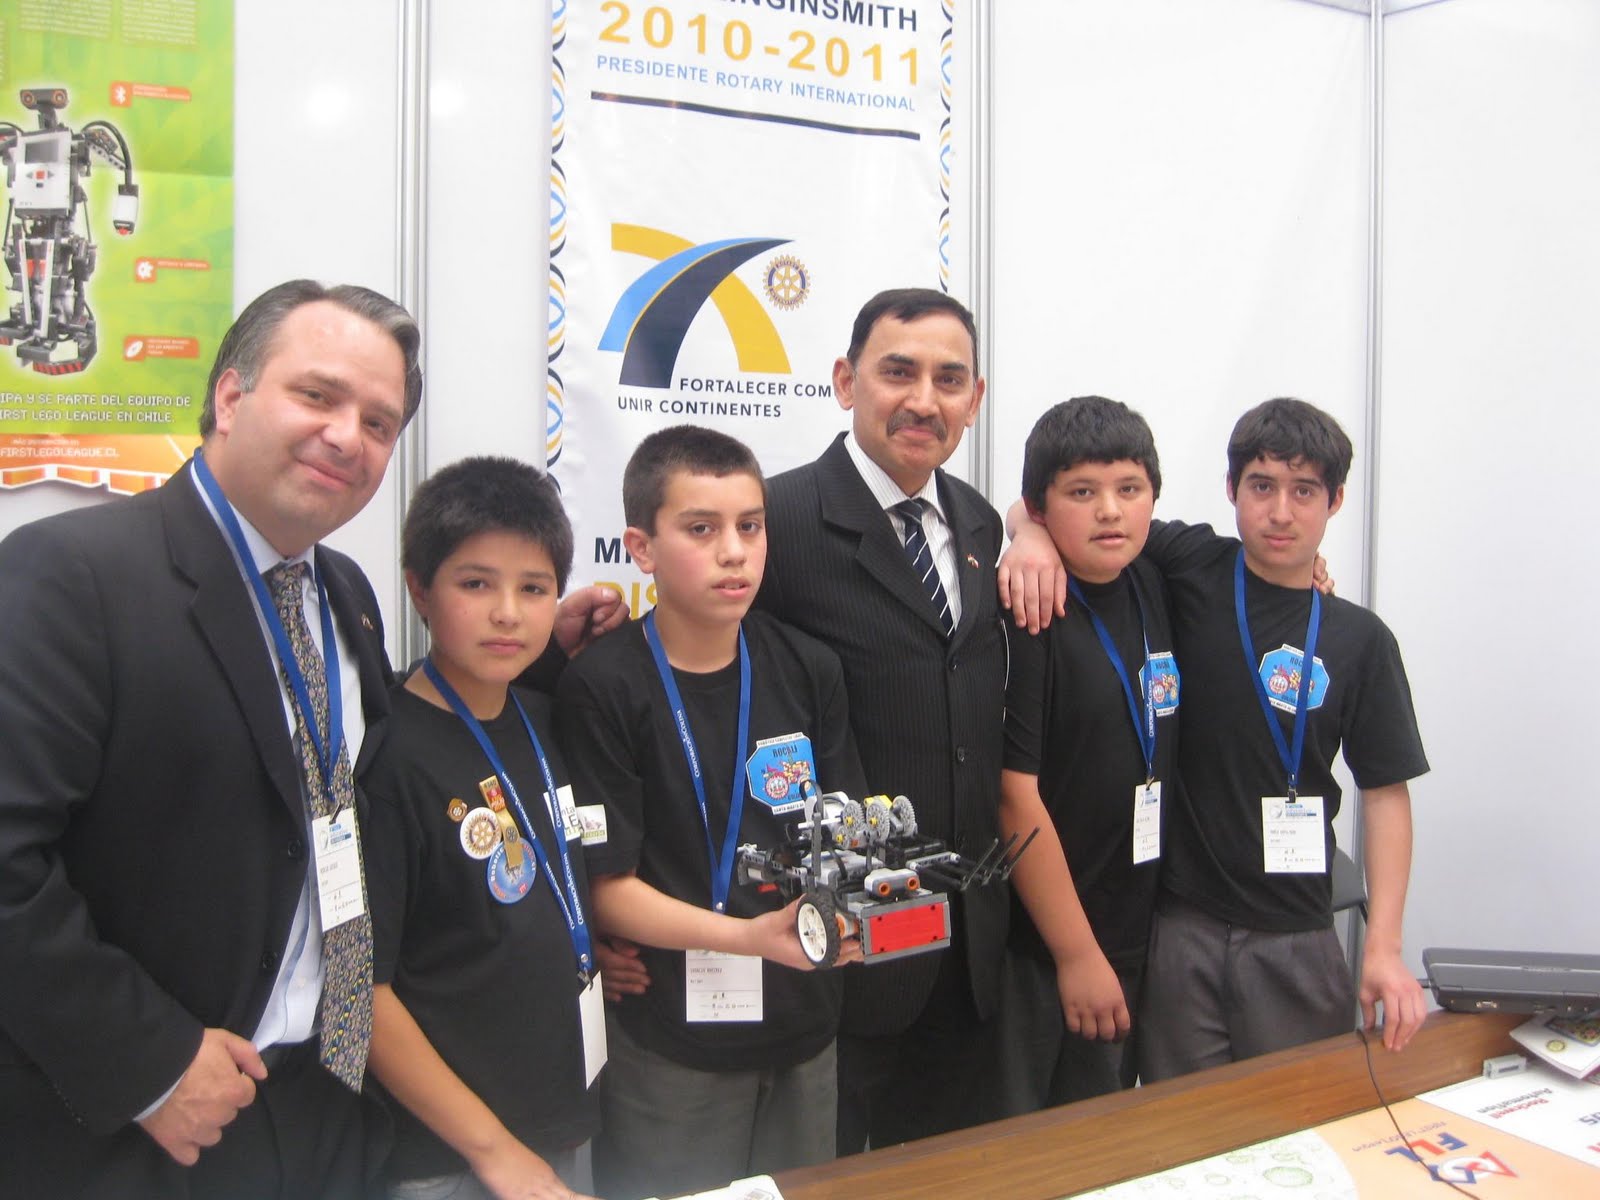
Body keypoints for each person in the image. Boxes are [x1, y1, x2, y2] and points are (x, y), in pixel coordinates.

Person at [0, 280, 621, 1199]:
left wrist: (549, 648)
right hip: (147, 1116)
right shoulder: (74, 573)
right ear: (230, 395)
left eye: (379, 422)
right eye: (317, 395)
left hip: (324, 1103)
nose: (346, 436)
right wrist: (150, 1062)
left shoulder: (345, 600)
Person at [1002, 397, 1429, 1078]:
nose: (1280, 513)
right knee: (1180, 1125)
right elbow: (1067, 502)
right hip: (1179, 928)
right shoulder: (1187, 566)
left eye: (1304, 491)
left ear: (1336, 500)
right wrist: (1025, 533)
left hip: (1297, 933)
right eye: (1262, 487)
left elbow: (1385, 795)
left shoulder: (1361, 640)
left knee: (1295, 1122)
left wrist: (1383, 947)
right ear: (1231, 489)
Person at [555, 425, 867, 1200]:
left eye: (750, 527)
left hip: (804, 1027)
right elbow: (605, 886)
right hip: (672, 1043)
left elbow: (848, 831)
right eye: (702, 529)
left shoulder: (809, 667)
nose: (734, 552)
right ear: (641, 547)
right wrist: (748, 938)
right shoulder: (604, 686)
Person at [753, 288, 1012, 1149]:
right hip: (842, 948)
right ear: (845, 380)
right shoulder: (777, 521)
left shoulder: (979, 523)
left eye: (950, 380)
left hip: (967, 938)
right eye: (898, 372)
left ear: (975, 399)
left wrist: (1037, 530)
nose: (923, 401)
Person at [363, 457, 601, 1200]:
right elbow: (363, 992)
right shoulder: (388, 759)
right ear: (419, 591)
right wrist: (493, 1152)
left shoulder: (545, 718)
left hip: (559, 1117)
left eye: (533, 588)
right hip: (453, 1154)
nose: (507, 613)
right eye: (475, 584)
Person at [994, 396, 1179, 1112]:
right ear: (1043, 508)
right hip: (1043, 949)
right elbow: (1014, 796)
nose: (1110, 511)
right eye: (1081, 493)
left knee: (1108, 1131)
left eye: (1129, 489)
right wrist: (1076, 955)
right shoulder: (1031, 609)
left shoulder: (1155, 577)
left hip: (1137, 931)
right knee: (1028, 1140)